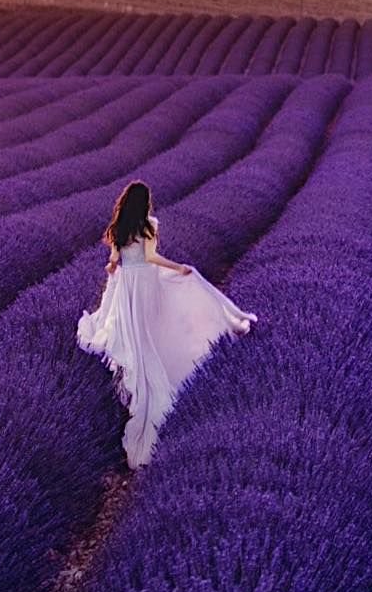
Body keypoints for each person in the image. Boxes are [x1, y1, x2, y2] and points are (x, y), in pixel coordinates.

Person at [77, 179, 257, 469]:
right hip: (146, 284)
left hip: (126, 287)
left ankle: (134, 388)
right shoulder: (149, 224)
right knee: (149, 332)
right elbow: (150, 257)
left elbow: (114, 260)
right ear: (145, 202)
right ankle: (155, 381)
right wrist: (179, 267)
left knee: (133, 337)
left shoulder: (118, 225)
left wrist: (113, 266)